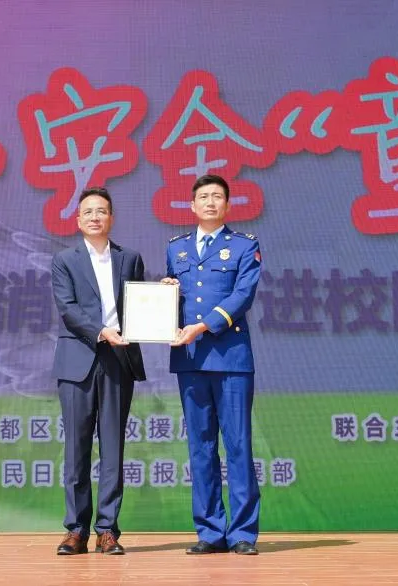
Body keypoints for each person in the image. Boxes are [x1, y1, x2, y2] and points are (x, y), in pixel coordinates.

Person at [161, 173, 262, 555]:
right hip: (190, 360)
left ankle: (242, 534)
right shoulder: (176, 248)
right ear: (192, 205)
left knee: (238, 445)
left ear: (227, 205)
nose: (209, 202)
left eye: (217, 196)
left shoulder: (244, 246)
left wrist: (202, 326)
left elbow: (243, 295)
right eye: (203, 196)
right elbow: (175, 300)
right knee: (200, 448)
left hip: (231, 359)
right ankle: (210, 531)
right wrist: (166, 294)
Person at [50, 186, 146, 555]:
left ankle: (108, 530)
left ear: (111, 218)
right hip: (77, 362)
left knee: (113, 449)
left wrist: (169, 293)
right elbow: (68, 309)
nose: (95, 217)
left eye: (101, 211)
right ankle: (76, 530)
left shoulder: (129, 258)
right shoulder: (64, 260)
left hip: (117, 361)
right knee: (76, 449)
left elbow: (141, 305)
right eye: (88, 211)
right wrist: (101, 331)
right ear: (78, 220)